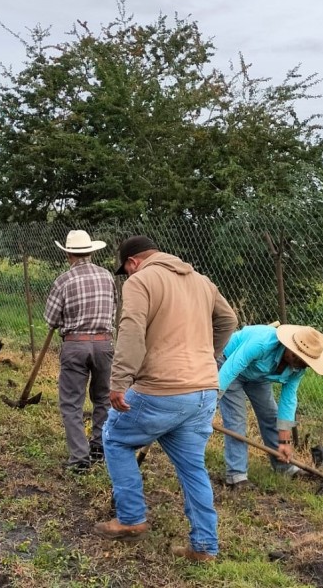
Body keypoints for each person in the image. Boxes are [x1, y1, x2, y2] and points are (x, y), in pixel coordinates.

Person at [94, 235, 238, 563]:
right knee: (192, 467)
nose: (128, 275)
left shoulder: (141, 280)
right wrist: (208, 355)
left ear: (132, 262)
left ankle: (131, 519)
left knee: (115, 439)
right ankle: (204, 546)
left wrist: (118, 382)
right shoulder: (201, 281)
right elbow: (228, 319)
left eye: (126, 270)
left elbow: (130, 330)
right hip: (203, 391)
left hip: (162, 389)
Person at [217, 324, 323, 490]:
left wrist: (284, 440)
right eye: (297, 358)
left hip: (258, 376)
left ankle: (283, 466)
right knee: (236, 420)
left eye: (304, 363)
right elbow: (232, 367)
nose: (298, 365)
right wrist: (211, 400)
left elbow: (288, 399)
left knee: (271, 416)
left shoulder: (298, 367)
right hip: (229, 363)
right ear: (288, 346)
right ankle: (237, 477)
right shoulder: (262, 343)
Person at [45, 230, 117, 474]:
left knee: (71, 403)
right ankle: (99, 447)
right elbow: (114, 311)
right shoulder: (107, 276)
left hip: (75, 344)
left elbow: (51, 319)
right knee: (103, 398)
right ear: (91, 251)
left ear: (68, 254)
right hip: (105, 343)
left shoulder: (63, 280)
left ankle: (79, 458)